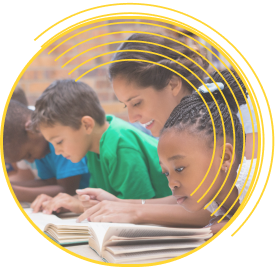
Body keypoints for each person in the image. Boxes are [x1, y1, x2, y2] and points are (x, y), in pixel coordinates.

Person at [30, 79, 171, 214]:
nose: (57, 151)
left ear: (86, 125)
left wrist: (81, 206)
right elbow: (99, 198)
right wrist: (63, 202)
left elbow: (135, 208)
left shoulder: (120, 145)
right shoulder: (93, 146)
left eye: (59, 142)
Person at [157, 70, 257, 233]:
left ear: (225, 157)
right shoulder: (213, 198)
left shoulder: (252, 180)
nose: (171, 183)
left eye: (180, 169)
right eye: (166, 173)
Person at [4, 100, 90, 202]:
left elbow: (68, 190)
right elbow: (49, 182)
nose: (31, 161)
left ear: (32, 131)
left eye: (28, 154)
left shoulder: (60, 141)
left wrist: (15, 192)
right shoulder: (40, 149)